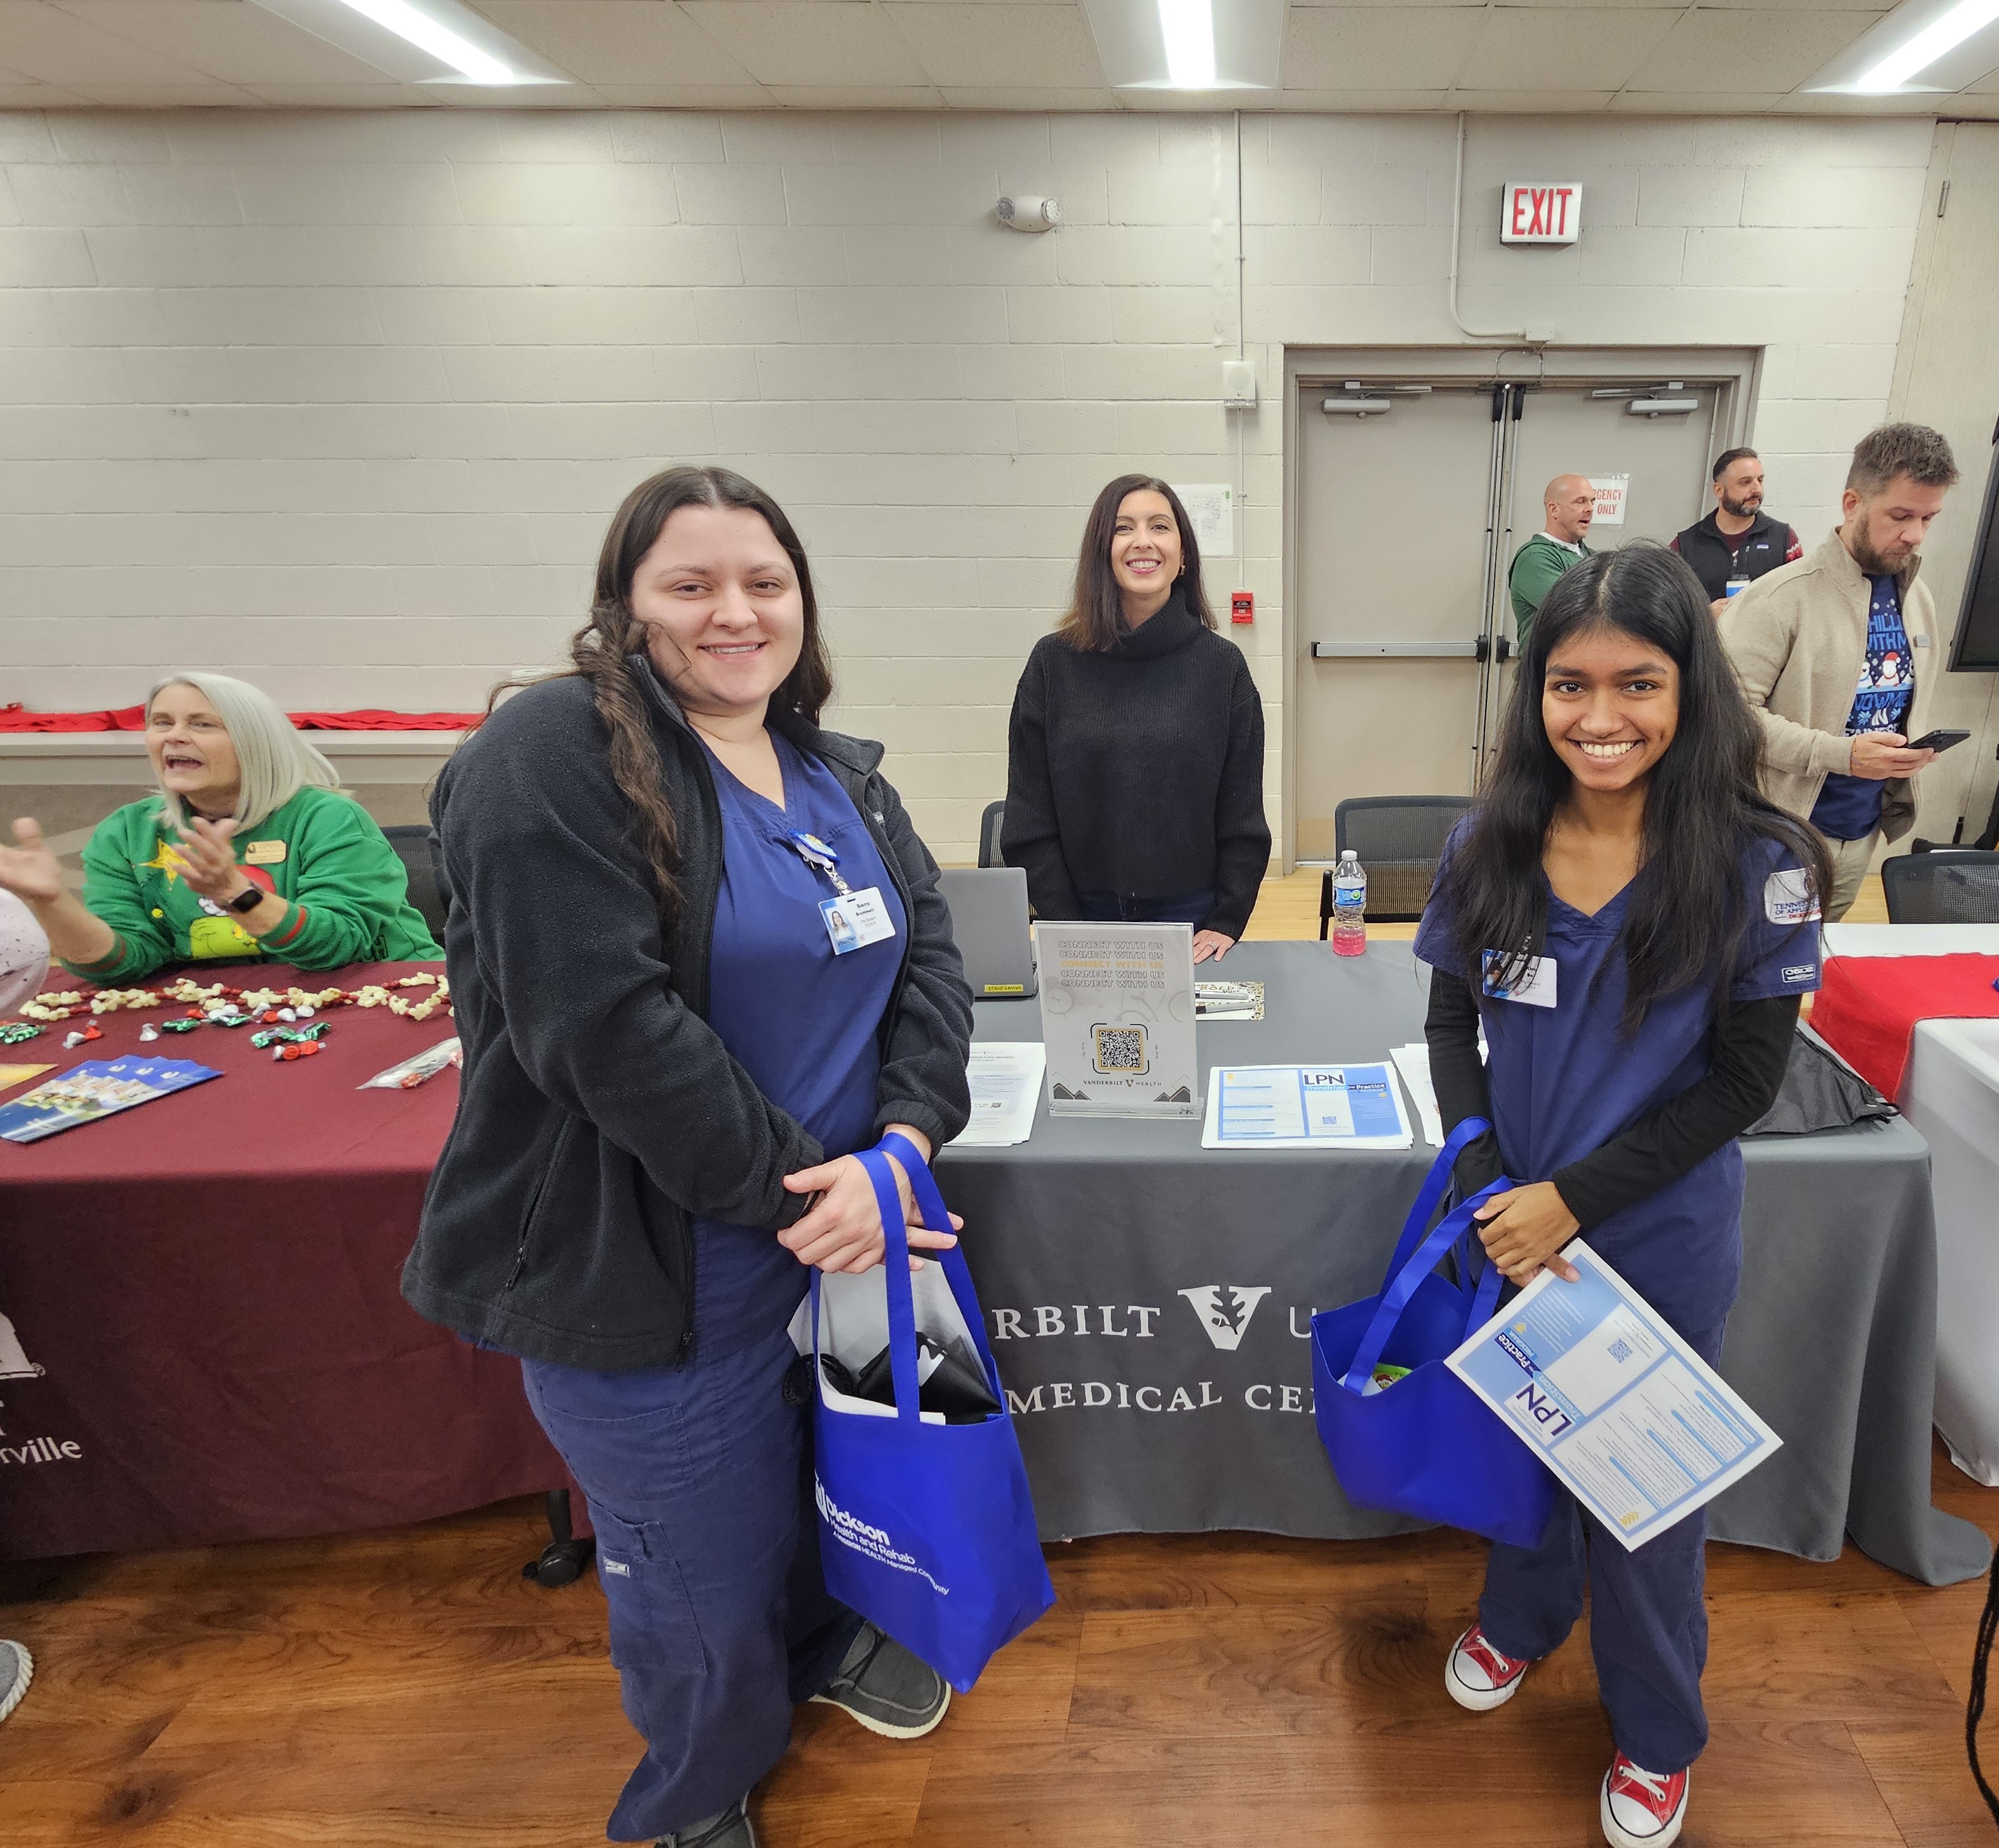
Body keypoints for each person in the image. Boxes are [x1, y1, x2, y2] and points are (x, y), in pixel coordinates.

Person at [400, 465, 974, 1848]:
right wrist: (810, 1194)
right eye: (691, 584)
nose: (735, 613)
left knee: (828, 1493)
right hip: (658, 1267)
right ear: (624, 607)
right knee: (694, 1585)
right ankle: (691, 1797)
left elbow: (934, 971)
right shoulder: (551, 753)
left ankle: (817, 1657)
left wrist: (896, 1150)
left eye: (764, 583)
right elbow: (605, 1031)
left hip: (846, 1233)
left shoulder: (841, 774)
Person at [1418, 545, 1829, 1848]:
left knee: (1641, 1490)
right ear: (1533, 693)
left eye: (1636, 685)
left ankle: (1656, 1735)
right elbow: (1447, 1030)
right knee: (1527, 1442)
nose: (1599, 718)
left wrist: (1570, 1203)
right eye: (1568, 685)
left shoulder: (1753, 862)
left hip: (1652, 1234)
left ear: (1688, 690)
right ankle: (1523, 1618)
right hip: (1513, 1227)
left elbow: (1743, 1086)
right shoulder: (1490, 840)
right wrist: (1493, 1184)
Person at [0, 673, 440, 982]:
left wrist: (236, 894)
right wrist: (52, 903)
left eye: (201, 724)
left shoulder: (325, 818)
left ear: (254, 741)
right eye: (161, 723)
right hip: (232, 1014)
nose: (174, 736)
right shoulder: (127, 833)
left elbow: (337, 948)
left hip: (382, 993)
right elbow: (123, 963)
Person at [1002, 473, 1269, 965]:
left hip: (1191, 924)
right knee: (1094, 1046)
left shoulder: (1222, 667)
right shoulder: (1052, 664)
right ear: (1101, 551)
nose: (1143, 541)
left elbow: (1242, 814)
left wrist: (1228, 918)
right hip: (1080, 919)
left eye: (1160, 527)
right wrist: (1068, 927)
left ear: (1183, 553)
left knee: (1192, 1047)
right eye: (1124, 528)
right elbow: (1029, 818)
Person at [1719, 422, 1957, 920]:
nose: (1914, 535)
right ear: (1853, 504)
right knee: (1755, 979)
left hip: (1862, 831)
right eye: (1899, 516)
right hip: (1778, 832)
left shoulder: (1917, 599)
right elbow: (1727, 719)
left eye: (1928, 519)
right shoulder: (1780, 598)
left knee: (1814, 967)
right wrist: (1840, 754)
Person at [1668, 448, 1800, 616]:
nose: (1757, 489)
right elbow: (1667, 611)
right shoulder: (1684, 545)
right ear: (1719, 490)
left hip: (1762, 640)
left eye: (1760, 480)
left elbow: (1799, 602)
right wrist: (1704, 616)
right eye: (1745, 482)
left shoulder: (1785, 539)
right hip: (1708, 640)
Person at [1508, 473, 1597, 650]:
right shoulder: (1535, 558)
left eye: (1592, 501)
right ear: (1554, 509)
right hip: (1548, 673)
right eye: (1580, 501)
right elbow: (1579, 613)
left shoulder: (1591, 556)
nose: (1590, 509)